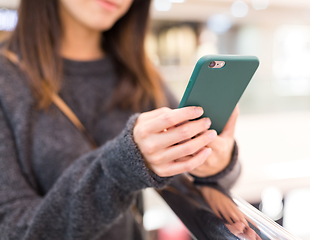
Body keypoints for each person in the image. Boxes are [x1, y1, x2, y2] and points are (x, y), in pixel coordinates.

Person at [0, 0, 242, 239]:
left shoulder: (140, 74)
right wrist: (122, 166)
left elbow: (187, 179)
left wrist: (216, 164)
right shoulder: (7, 78)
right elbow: (12, 229)